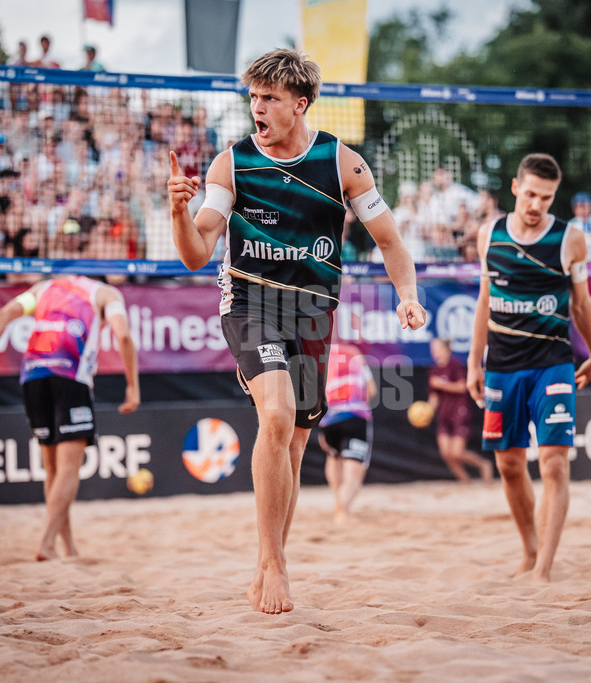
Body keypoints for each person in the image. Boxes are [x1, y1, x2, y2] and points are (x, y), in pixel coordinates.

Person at [167, 48, 427, 614]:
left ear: (299, 104)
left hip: (312, 314)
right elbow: (194, 254)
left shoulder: (342, 163)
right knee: (278, 416)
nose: (256, 107)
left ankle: (272, 558)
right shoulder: (229, 165)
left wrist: (408, 296)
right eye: (253, 97)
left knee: (298, 439)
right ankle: (272, 563)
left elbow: (390, 242)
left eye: (269, 98)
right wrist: (177, 215)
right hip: (251, 304)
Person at [466, 153, 591, 583]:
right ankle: (529, 551)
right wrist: (473, 361)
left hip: (552, 363)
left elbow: (581, 303)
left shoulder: (569, 239)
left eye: (546, 197)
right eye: (530, 194)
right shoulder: (490, 234)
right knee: (509, 464)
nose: (536, 204)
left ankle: (544, 568)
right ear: (515, 188)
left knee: (554, 464)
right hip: (503, 366)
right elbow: (485, 300)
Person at [0, 275, 140, 560]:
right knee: (69, 470)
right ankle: (46, 543)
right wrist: (132, 385)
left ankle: (67, 547)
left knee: (54, 472)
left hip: (33, 375)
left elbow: (3, 313)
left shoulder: (45, 288)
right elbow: (123, 336)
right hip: (70, 377)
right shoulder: (107, 294)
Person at [317, 342, 376, 524]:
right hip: (355, 415)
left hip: (329, 418)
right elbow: (371, 390)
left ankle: (338, 503)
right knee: (354, 472)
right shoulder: (354, 354)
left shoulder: (321, 354)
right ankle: (342, 510)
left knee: (333, 459)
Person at [429, 337, 494, 484]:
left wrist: (442, 384)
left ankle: (484, 464)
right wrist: (426, 412)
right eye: (433, 349)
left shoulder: (454, 365)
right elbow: (434, 396)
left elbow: (462, 387)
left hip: (459, 412)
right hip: (443, 414)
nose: (435, 352)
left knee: (456, 453)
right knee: (446, 454)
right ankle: (464, 481)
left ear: (446, 350)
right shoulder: (434, 370)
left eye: (437, 348)